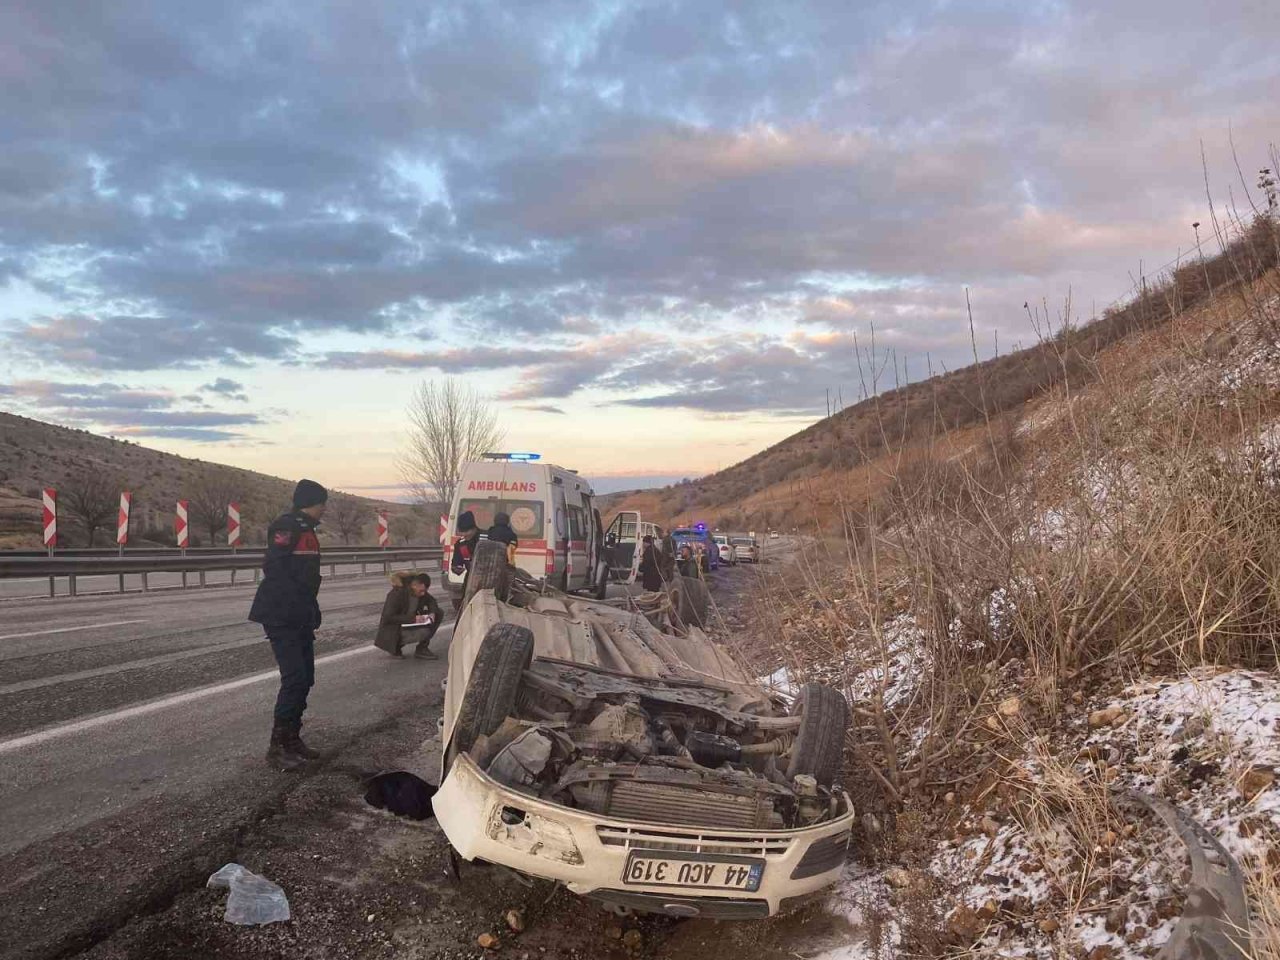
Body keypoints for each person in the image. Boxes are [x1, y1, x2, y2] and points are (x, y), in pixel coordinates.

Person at [249, 478, 327, 771]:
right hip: (281, 614)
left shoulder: (306, 529)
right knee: (294, 678)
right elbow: (275, 568)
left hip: (299, 613)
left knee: (305, 677)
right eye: (321, 504)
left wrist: (309, 607)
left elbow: (306, 579)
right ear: (311, 502)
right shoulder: (287, 525)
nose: (323, 510)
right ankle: (277, 748)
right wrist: (295, 605)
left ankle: (293, 739)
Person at [375, 572, 444, 659]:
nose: (423, 594)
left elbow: (431, 601)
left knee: (439, 612)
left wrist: (432, 613)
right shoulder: (397, 594)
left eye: (425, 591)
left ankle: (422, 649)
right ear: (414, 585)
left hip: (409, 623)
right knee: (423, 632)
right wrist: (413, 619)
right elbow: (388, 617)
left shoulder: (419, 591)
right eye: (421, 591)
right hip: (395, 629)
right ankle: (396, 647)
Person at [450, 510, 482, 614]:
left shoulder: (486, 539)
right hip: (470, 581)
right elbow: (456, 564)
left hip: (489, 579)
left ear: (474, 528)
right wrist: (456, 568)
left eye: (467, 532)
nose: (464, 535)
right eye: (462, 532)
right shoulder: (461, 544)